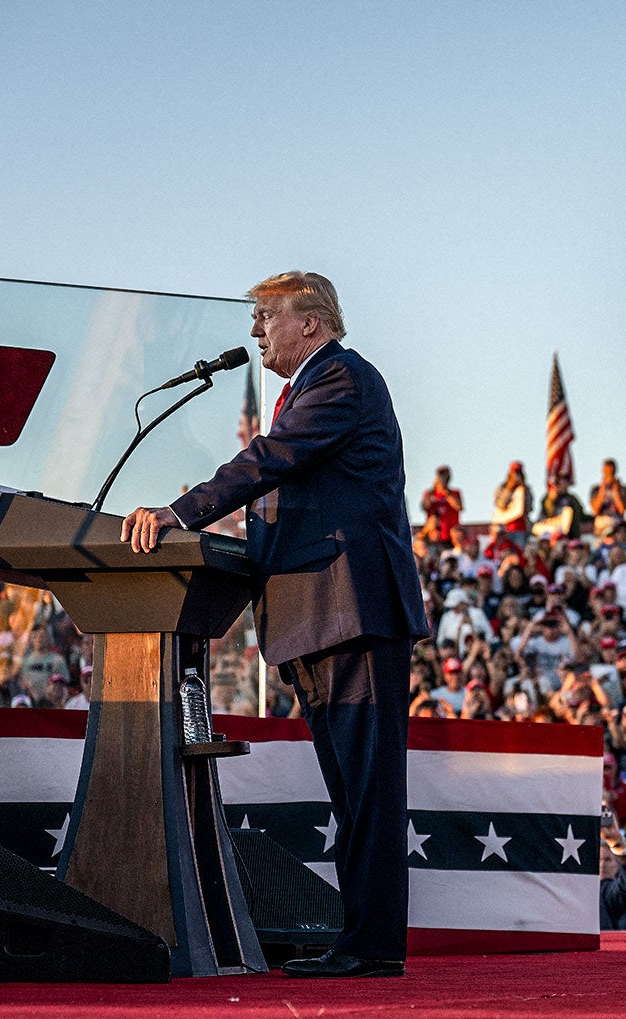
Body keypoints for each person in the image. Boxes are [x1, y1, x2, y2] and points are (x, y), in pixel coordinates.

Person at [121, 270, 427, 979]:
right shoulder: (314, 385)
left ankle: (373, 946)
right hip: (321, 612)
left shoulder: (340, 380)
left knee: (367, 788)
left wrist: (180, 513)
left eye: (266, 316)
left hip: (351, 610)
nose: (255, 329)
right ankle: (363, 939)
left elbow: (270, 460)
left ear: (311, 323)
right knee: (351, 790)